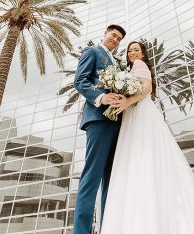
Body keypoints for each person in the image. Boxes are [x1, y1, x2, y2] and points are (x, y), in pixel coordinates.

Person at [100, 41, 194, 233]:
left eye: (136, 50)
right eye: (130, 50)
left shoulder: (139, 64)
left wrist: (127, 101)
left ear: (143, 54)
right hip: (133, 113)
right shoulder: (128, 70)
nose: (132, 53)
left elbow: (147, 88)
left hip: (141, 112)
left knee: (142, 155)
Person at [73, 24, 126, 234]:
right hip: (98, 119)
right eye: (113, 35)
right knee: (92, 177)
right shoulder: (92, 52)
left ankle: (108, 228)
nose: (115, 40)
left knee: (111, 181)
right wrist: (101, 97)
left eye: (119, 39)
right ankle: (81, 231)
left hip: (117, 122)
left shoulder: (119, 64)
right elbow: (80, 80)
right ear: (105, 33)